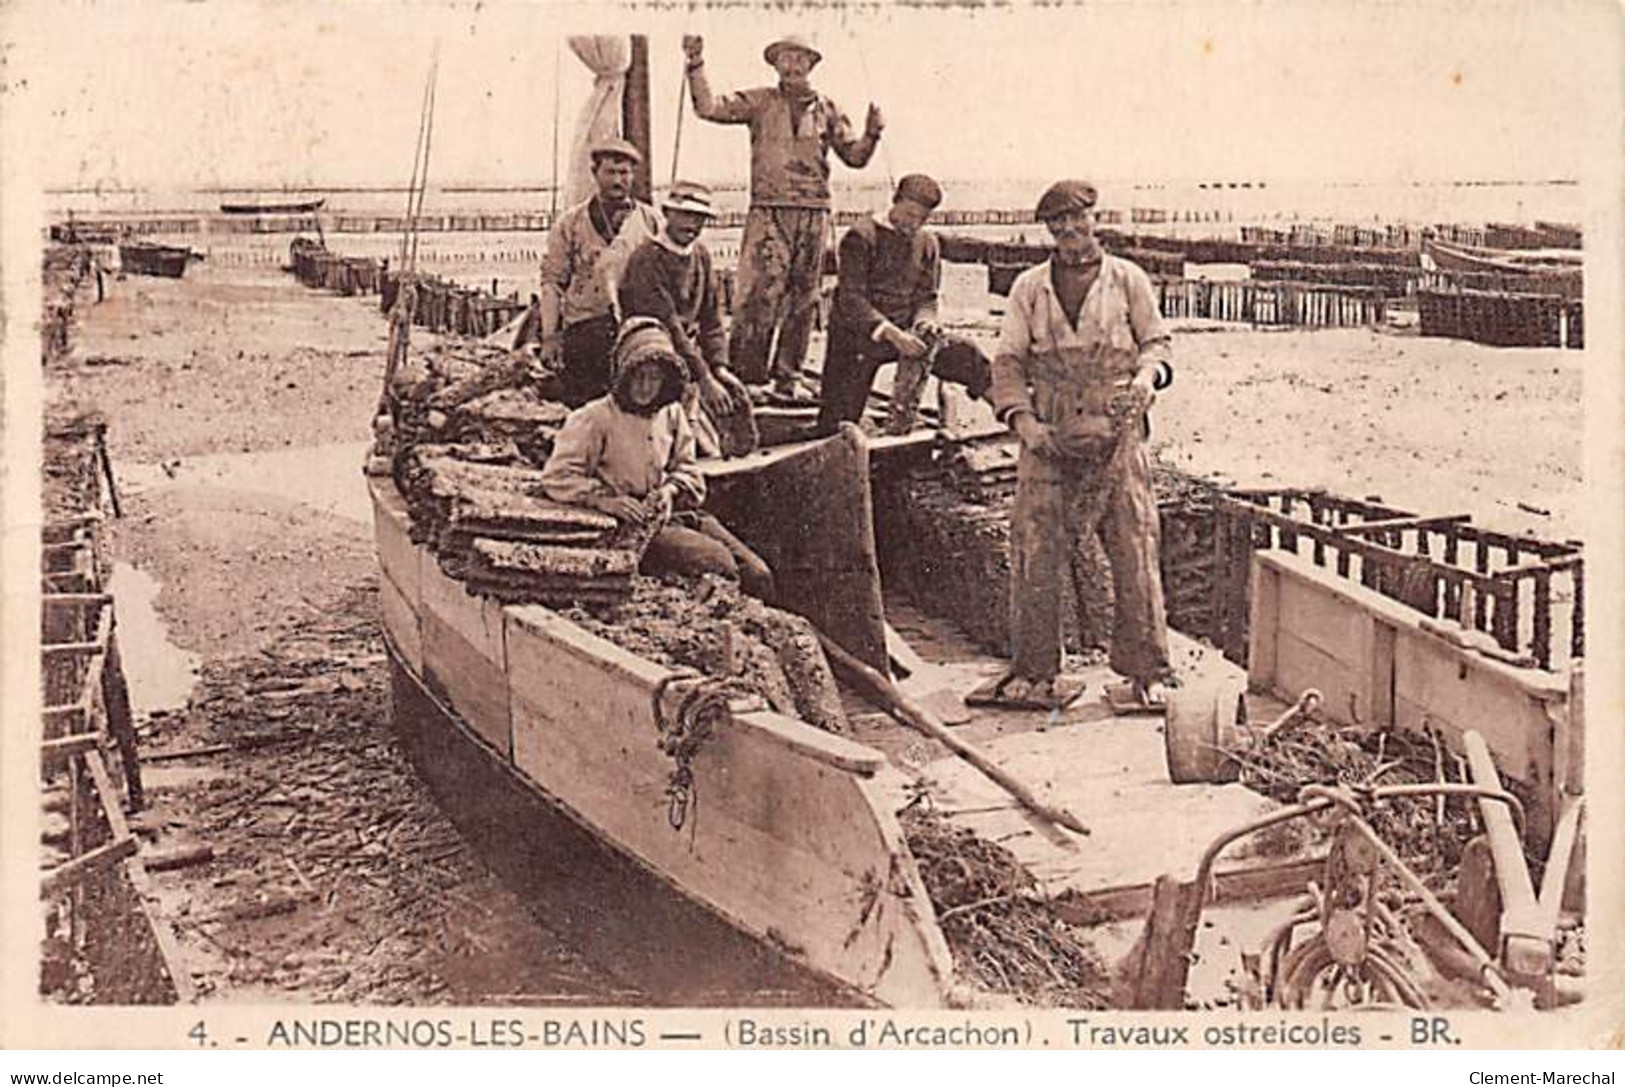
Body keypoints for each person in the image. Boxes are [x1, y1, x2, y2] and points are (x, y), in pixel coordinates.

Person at [984, 179, 1175, 711]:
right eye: (1056, 224)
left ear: (1095, 218)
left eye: (1076, 219)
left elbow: (1156, 343)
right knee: (1035, 546)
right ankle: (1034, 670)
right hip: (1049, 429)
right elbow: (1009, 361)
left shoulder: (1127, 280)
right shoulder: (1029, 287)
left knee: (1133, 542)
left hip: (1117, 430)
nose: (1068, 231)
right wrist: (1023, 421)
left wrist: (1146, 380)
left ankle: (1148, 671)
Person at [683, 32, 883, 401]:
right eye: (784, 59)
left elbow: (855, 157)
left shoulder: (828, 109)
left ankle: (788, 377)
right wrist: (695, 63)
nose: (791, 66)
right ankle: (746, 376)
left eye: (800, 59)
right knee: (758, 293)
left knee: (803, 298)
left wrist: (872, 134)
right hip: (768, 211)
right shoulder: (759, 102)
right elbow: (708, 107)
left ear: (812, 64)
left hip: (814, 212)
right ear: (774, 64)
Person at [540, 318, 775, 600]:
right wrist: (605, 501)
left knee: (758, 574)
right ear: (624, 373)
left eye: (654, 377)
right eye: (638, 375)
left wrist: (669, 490)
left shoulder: (671, 413)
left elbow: (687, 467)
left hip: (673, 513)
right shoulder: (595, 418)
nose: (645, 386)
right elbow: (558, 476)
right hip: (631, 526)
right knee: (718, 563)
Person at [616, 181, 756, 457]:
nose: (692, 224)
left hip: (687, 353)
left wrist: (719, 367)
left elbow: (712, 317)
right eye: (685, 215)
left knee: (733, 399)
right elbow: (670, 325)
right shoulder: (647, 260)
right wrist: (704, 379)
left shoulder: (700, 255)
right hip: (651, 349)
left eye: (699, 218)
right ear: (668, 213)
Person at [537, 137, 663, 407]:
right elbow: (552, 282)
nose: (618, 180)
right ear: (595, 173)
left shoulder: (651, 221)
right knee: (583, 406)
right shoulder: (570, 223)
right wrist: (550, 336)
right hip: (585, 330)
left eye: (624, 172)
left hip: (636, 330)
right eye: (610, 172)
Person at [815, 173, 942, 433]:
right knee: (838, 421)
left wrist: (926, 321)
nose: (913, 224)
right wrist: (892, 334)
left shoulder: (927, 243)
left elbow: (927, 297)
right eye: (908, 214)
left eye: (921, 219)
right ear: (894, 201)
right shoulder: (861, 236)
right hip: (857, 337)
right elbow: (851, 299)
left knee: (967, 356)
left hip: (905, 335)